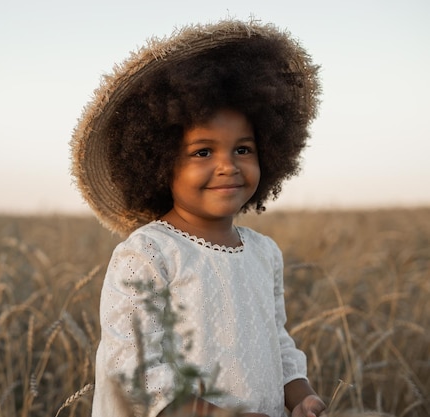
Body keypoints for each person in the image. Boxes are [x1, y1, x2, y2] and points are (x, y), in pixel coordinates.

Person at [70, 19, 327, 417]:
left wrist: (301, 395)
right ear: (158, 161)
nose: (228, 166)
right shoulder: (150, 253)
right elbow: (136, 372)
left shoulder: (264, 253)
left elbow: (276, 343)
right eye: (203, 152)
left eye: (243, 149)